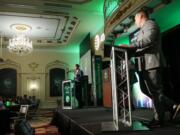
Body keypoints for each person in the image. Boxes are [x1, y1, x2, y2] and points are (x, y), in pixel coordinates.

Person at [120, 8, 180, 126]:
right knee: (147, 90)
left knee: (155, 91)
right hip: (144, 65)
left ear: (141, 16)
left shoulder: (150, 24)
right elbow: (140, 48)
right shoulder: (143, 28)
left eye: (135, 18)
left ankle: (163, 115)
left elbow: (149, 40)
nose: (135, 21)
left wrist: (130, 46)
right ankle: (170, 107)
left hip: (152, 63)